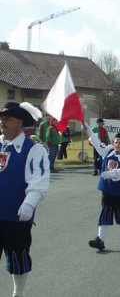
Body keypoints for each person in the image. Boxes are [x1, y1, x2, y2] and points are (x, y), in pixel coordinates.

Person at [0, 101, 50, 297]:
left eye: (8, 118)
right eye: (2, 118)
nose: (3, 121)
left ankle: (17, 293)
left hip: (16, 217)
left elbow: (39, 181)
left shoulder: (33, 149)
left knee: (17, 258)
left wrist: (29, 203)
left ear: (19, 122)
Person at [83, 123, 120, 250]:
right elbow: (96, 142)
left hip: (119, 191)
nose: (117, 145)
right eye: (116, 142)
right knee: (105, 212)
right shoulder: (108, 152)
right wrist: (87, 128)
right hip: (107, 190)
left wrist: (112, 173)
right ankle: (100, 239)